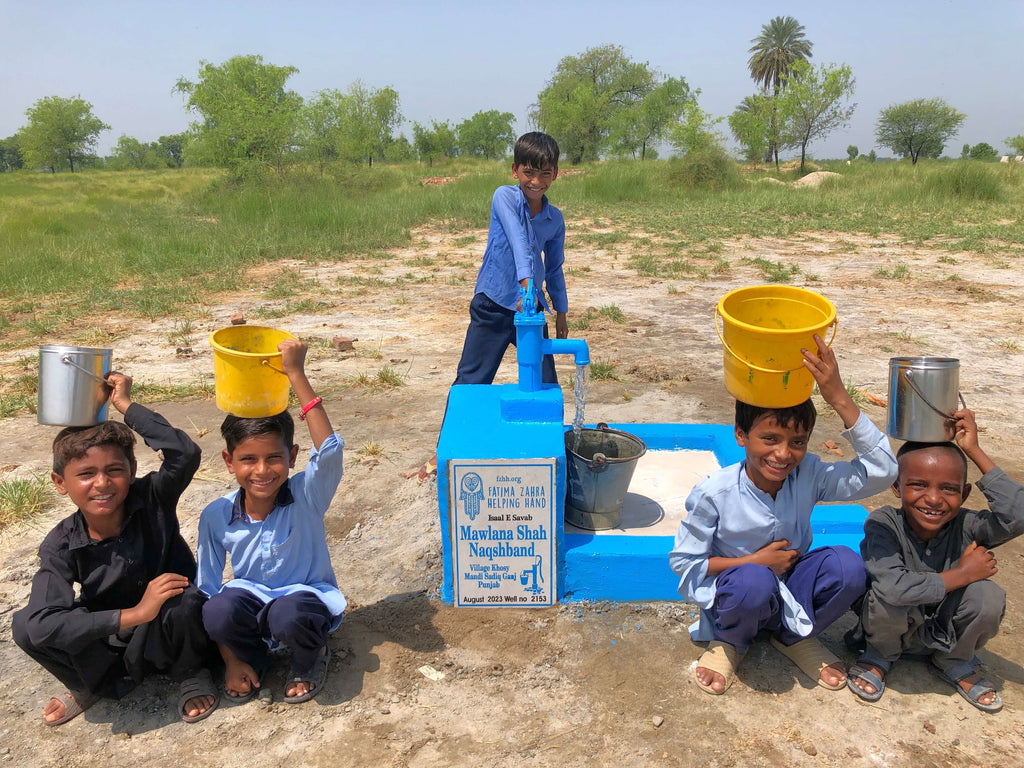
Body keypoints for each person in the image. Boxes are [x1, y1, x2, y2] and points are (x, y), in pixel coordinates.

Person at [669, 335, 898, 695]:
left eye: (797, 442)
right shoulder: (715, 492)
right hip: (740, 597)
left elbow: (883, 471)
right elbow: (685, 562)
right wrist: (756, 561)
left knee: (847, 565)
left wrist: (837, 396)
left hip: (793, 585)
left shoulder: (809, 474)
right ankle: (731, 642)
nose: (783, 454)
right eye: (770, 439)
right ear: (741, 436)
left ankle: (792, 637)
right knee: (754, 581)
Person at [12, 373, 218, 725]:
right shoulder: (62, 543)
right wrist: (135, 614)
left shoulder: (152, 497)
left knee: (183, 599)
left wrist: (124, 405)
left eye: (114, 470)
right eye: (86, 474)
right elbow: (43, 625)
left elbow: (184, 453)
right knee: (23, 625)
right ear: (60, 483)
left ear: (133, 470)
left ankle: (191, 672)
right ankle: (89, 685)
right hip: (117, 634)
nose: (102, 483)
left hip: (171, 627)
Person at [409, 132, 569, 482]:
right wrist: (526, 283)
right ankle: (442, 459)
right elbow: (517, 242)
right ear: (515, 170)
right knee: (471, 382)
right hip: (494, 303)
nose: (536, 181)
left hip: (530, 313)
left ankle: (547, 460)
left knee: (544, 384)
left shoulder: (554, 220)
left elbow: (554, 267)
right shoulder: (504, 198)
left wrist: (562, 312)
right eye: (529, 172)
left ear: (555, 174)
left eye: (545, 173)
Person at [197, 339, 345, 705]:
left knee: (288, 613)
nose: (261, 471)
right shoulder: (216, 514)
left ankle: (310, 657)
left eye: (273, 458)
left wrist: (295, 373)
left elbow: (330, 452)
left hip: (303, 604)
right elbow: (207, 587)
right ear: (229, 462)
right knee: (217, 610)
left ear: (292, 456)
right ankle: (252, 659)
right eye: (248, 459)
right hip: (253, 599)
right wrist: (230, 659)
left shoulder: (307, 496)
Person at [847, 410, 1024, 712]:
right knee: (887, 596)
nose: (933, 498)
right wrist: (962, 574)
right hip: (888, 629)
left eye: (948, 489)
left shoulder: (969, 526)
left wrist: (974, 450)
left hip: (946, 629)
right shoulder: (883, 524)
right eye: (918, 485)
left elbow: (1017, 515)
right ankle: (879, 657)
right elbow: (892, 589)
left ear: (965, 494)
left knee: (989, 596)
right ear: (896, 487)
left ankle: (953, 658)